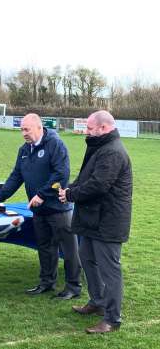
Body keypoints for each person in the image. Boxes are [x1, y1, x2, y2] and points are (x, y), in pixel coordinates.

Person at [0, 114, 81, 299]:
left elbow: (61, 174)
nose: (23, 133)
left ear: (39, 127)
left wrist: (41, 195)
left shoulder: (55, 145)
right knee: (45, 247)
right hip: (38, 210)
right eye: (21, 129)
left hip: (58, 208)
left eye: (26, 129)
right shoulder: (24, 150)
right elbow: (16, 177)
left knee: (69, 249)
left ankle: (73, 287)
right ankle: (46, 282)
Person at [59, 110, 132, 334]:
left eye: (90, 128)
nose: (86, 132)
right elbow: (86, 178)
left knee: (110, 270)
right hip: (93, 218)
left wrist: (70, 195)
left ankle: (112, 319)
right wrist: (70, 188)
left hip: (109, 221)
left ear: (103, 128)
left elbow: (99, 185)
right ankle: (98, 302)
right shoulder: (99, 147)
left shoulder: (113, 152)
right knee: (87, 257)